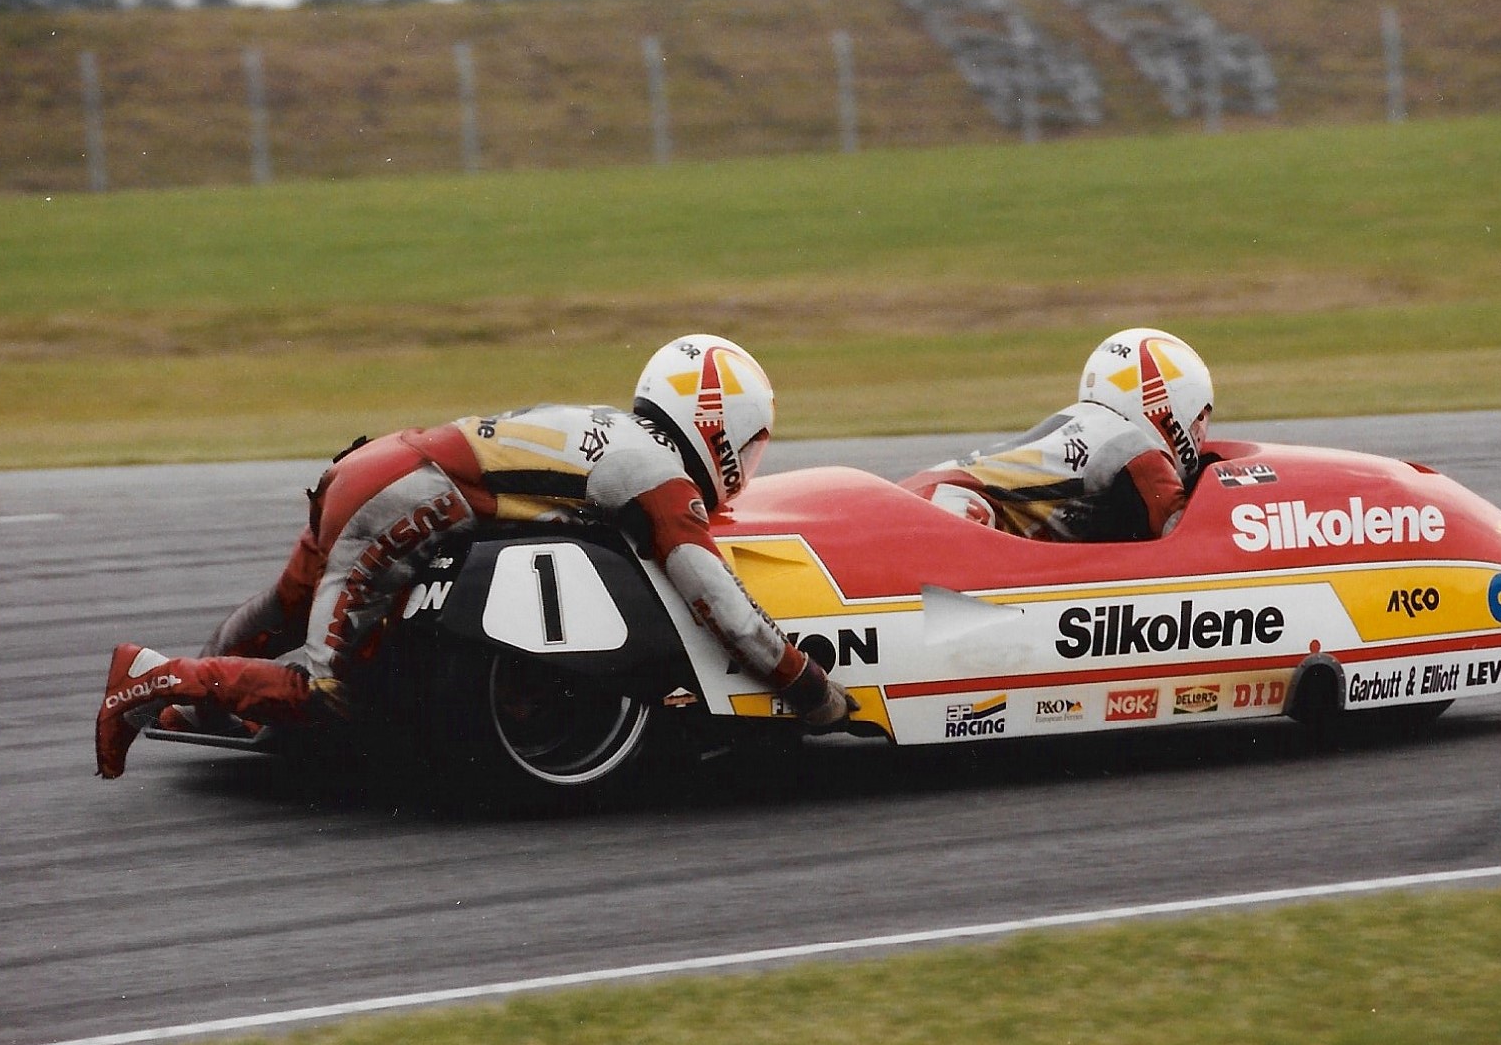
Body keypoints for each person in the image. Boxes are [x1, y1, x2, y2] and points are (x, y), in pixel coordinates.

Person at [95, 334, 852, 780]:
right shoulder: (661, 476)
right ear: (720, 432)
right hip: (397, 501)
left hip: (373, 470)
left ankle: (183, 695)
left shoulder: (615, 430)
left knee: (280, 610)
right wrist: (807, 684)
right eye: (748, 452)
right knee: (334, 696)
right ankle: (159, 676)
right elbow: (715, 598)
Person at [901, 328, 1213, 543]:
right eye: (1199, 418)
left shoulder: (1087, 426)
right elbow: (1186, 539)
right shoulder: (1134, 448)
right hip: (954, 510)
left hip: (917, 496)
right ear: (1171, 404)